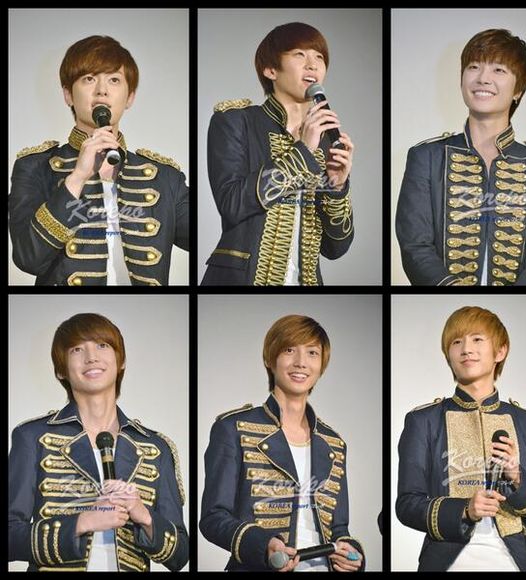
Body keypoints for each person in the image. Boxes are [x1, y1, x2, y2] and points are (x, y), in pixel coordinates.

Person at [8, 313, 189, 571]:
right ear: (61, 370)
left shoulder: (156, 447)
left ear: (121, 360)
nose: (91, 357)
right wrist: (81, 523)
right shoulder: (31, 437)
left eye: (102, 345)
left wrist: (144, 516)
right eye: (77, 349)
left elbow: (180, 555)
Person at [9, 36, 189, 286]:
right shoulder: (35, 167)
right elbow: (27, 259)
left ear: (130, 97)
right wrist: (76, 179)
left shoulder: (165, 177)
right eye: (89, 79)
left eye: (114, 80)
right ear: (68, 95)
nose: (102, 90)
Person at [395, 29, 526, 286]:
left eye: (499, 70)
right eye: (474, 67)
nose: (483, 78)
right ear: (462, 79)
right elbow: (414, 245)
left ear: (519, 90)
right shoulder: (426, 158)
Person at [396, 306, 526, 571]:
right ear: (448, 355)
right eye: (456, 342)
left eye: (477, 339)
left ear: (500, 351)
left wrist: (517, 476)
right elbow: (406, 505)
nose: (466, 349)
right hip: (444, 563)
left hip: (515, 563)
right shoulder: (422, 421)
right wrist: (464, 510)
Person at [200, 314, 364, 571]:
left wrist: (350, 553)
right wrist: (263, 545)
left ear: (322, 365)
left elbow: (339, 527)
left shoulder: (334, 443)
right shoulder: (233, 428)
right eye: (289, 350)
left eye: (312, 353)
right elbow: (213, 517)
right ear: (270, 358)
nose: (301, 362)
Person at [201, 22, 354, 286]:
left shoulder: (328, 138)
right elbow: (231, 204)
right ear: (270, 69)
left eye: (319, 57)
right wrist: (303, 152)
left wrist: (337, 186)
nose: (312, 65)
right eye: (299, 54)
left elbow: (336, 248)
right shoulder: (235, 121)